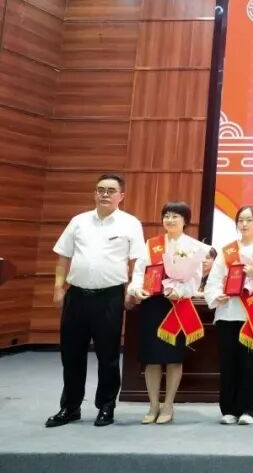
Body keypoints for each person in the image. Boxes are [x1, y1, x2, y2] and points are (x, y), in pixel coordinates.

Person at [46, 173, 145, 428]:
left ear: (121, 196)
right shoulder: (78, 221)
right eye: (100, 189)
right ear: (94, 193)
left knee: (108, 355)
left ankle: (106, 406)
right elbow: (63, 256)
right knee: (71, 354)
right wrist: (58, 287)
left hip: (110, 297)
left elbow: (138, 262)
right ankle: (70, 407)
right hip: (76, 296)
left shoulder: (130, 223)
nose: (104, 194)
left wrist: (133, 288)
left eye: (111, 190)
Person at [127, 201, 207, 424]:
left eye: (175, 216)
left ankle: (169, 405)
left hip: (177, 306)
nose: (170, 220)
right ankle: (153, 405)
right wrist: (136, 288)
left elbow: (195, 279)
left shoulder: (193, 247)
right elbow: (139, 272)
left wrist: (179, 291)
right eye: (166, 216)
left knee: (173, 359)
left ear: (185, 221)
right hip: (152, 305)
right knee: (151, 358)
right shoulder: (152, 244)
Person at [204, 205, 253, 424]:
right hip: (228, 313)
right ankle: (229, 409)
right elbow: (214, 281)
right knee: (229, 364)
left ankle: (250, 409)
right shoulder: (227, 251)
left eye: (249, 220)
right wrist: (216, 295)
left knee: (252, 364)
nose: (244, 224)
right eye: (240, 220)